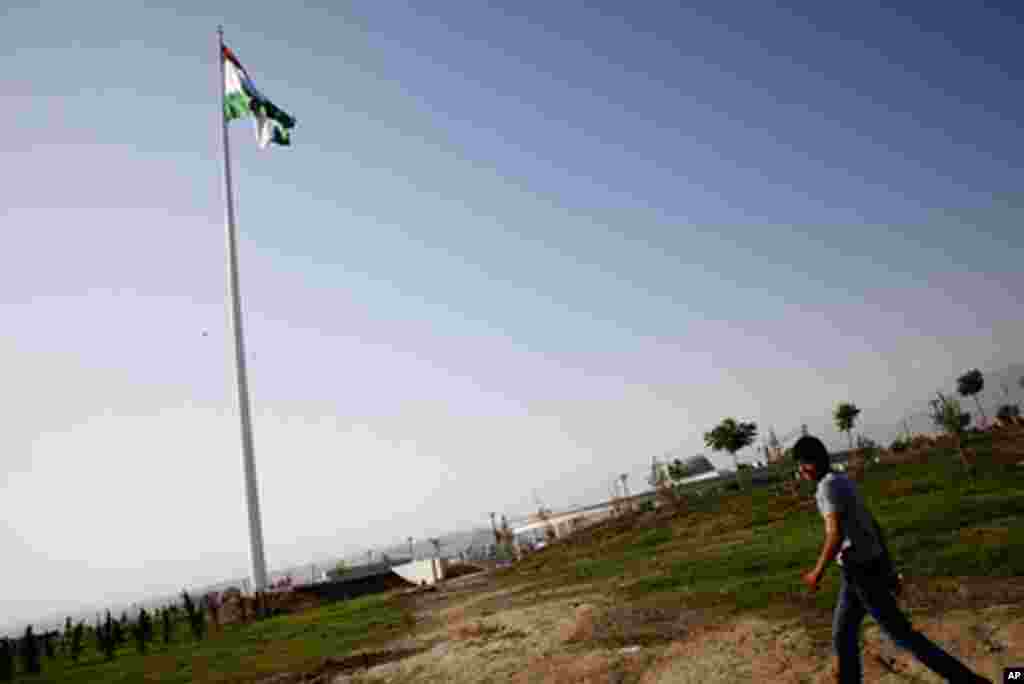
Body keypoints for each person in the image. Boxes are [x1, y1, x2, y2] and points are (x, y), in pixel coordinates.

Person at [794, 435, 991, 684]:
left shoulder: (826, 487)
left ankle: (968, 680)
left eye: (805, 463)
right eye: (799, 465)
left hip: (861, 572)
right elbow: (872, 526)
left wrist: (817, 572)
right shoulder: (842, 480)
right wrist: (887, 568)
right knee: (842, 634)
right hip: (859, 570)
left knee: (901, 635)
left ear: (817, 460)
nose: (802, 470)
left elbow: (835, 534)